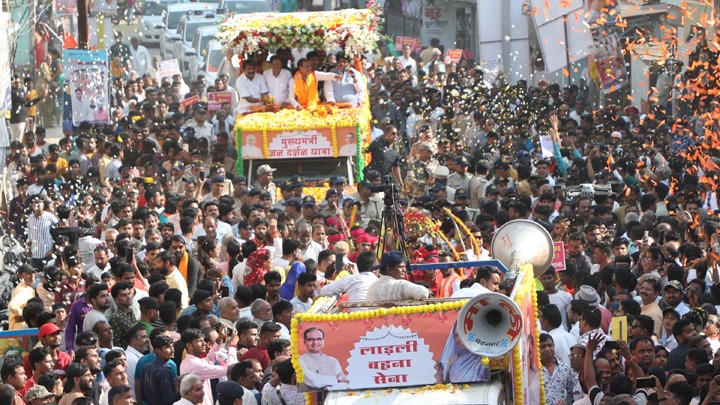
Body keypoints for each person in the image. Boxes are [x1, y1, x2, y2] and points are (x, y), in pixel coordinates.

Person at [178, 328, 240, 405]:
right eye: (199, 341)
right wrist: (232, 345)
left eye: (203, 340)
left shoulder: (190, 361)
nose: (204, 343)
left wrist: (219, 339)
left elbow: (209, 359)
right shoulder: (194, 365)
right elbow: (230, 369)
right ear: (189, 346)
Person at [141, 336, 177, 405]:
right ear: (158, 351)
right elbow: (169, 400)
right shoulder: (163, 371)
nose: (172, 350)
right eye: (168, 347)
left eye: (172, 346)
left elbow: (143, 395)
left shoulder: (146, 367)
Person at [9, 265, 36, 330]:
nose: (32, 276)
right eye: (28, 274)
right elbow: (12, 306)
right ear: (20, 276)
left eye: (33, 273)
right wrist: (26, 316)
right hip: (20, 331)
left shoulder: (27, 288)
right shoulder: (22, 290)